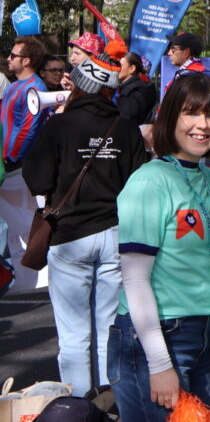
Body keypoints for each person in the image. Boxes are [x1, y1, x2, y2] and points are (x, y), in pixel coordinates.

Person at [23, 47, 151, 397]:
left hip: (70, 235)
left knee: (73, 334)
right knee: (109, 326)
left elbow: (36, 179)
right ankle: (113, 400)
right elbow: (140, 181)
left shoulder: (60, 125)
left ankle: (77, 405)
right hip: (116, 233)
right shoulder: (126, 127)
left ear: (78, 85)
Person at [109, 71, 210, 421]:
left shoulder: (209, 179)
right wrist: (159, 363)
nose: (202, 125)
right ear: (170, 117)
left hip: (201, 332)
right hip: (155, 339)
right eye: (191, 113)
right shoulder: (150, 181)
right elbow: (135, 278)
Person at [0, 34, 50, 289]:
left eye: (13, 55)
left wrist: (10, 156)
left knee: (24, 225)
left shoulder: (34, 88)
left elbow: (29, 129)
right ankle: (23, 282)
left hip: (16, 169)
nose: (8, 59)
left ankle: (37, 281)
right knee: (16, 228)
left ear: (26, 60)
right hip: (9, 166)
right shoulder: (13, 86)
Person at [117, 52, 157, 126]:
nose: (116, 68)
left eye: (120, 65)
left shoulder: (131, 95)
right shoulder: (135, 89)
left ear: (132, 69)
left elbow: (125, 125)